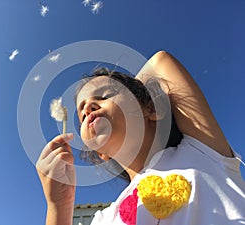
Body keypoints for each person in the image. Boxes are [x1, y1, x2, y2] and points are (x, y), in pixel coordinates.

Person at [36, 51, 245, 225]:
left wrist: (140, 94)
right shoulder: (104, 219)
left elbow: (160, 62)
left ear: (151, 109)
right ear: (100, 153)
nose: (88, 107)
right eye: (81, 115)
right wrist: (59, 207)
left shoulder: (201, 150)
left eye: (104, 96)